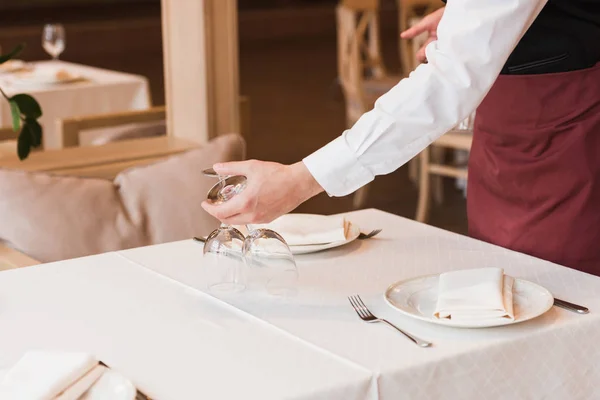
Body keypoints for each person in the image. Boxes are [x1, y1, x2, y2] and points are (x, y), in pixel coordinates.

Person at [202, 0, 600, 275]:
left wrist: (302, 180)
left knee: (562, 300)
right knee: (503, 286)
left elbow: (450, 79)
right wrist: (467, 16)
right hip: (512, 133)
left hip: (567, 139)